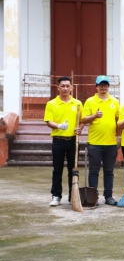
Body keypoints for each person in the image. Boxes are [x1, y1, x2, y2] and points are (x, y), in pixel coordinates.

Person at [44, 76, 84, 206]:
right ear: (58, 88)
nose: (65, 88)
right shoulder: (51, 104)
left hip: (73, 141)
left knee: (73, 170)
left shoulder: (77, 103)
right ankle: (56, 195)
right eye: (63, 86)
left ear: (72, 87)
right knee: (57, 169)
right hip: (58, 141)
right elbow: (48, 121)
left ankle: (73, 195)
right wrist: (59, 126)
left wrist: (80, 129)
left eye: (68, 86)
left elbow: (82, 121)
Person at [81, 75, 120, 206]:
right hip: (95, 143)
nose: (103, 87)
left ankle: (108, 196)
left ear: (108, 87)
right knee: (94, 171)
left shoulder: (115, 101)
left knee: (109, 171)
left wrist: (118, 136)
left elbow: (117, 120)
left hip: (110, 143)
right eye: (101, 85)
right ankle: (93, 196)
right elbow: (83, 119)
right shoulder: (90, 101)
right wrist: (94, 116)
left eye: (105, 85)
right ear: (96, 87)